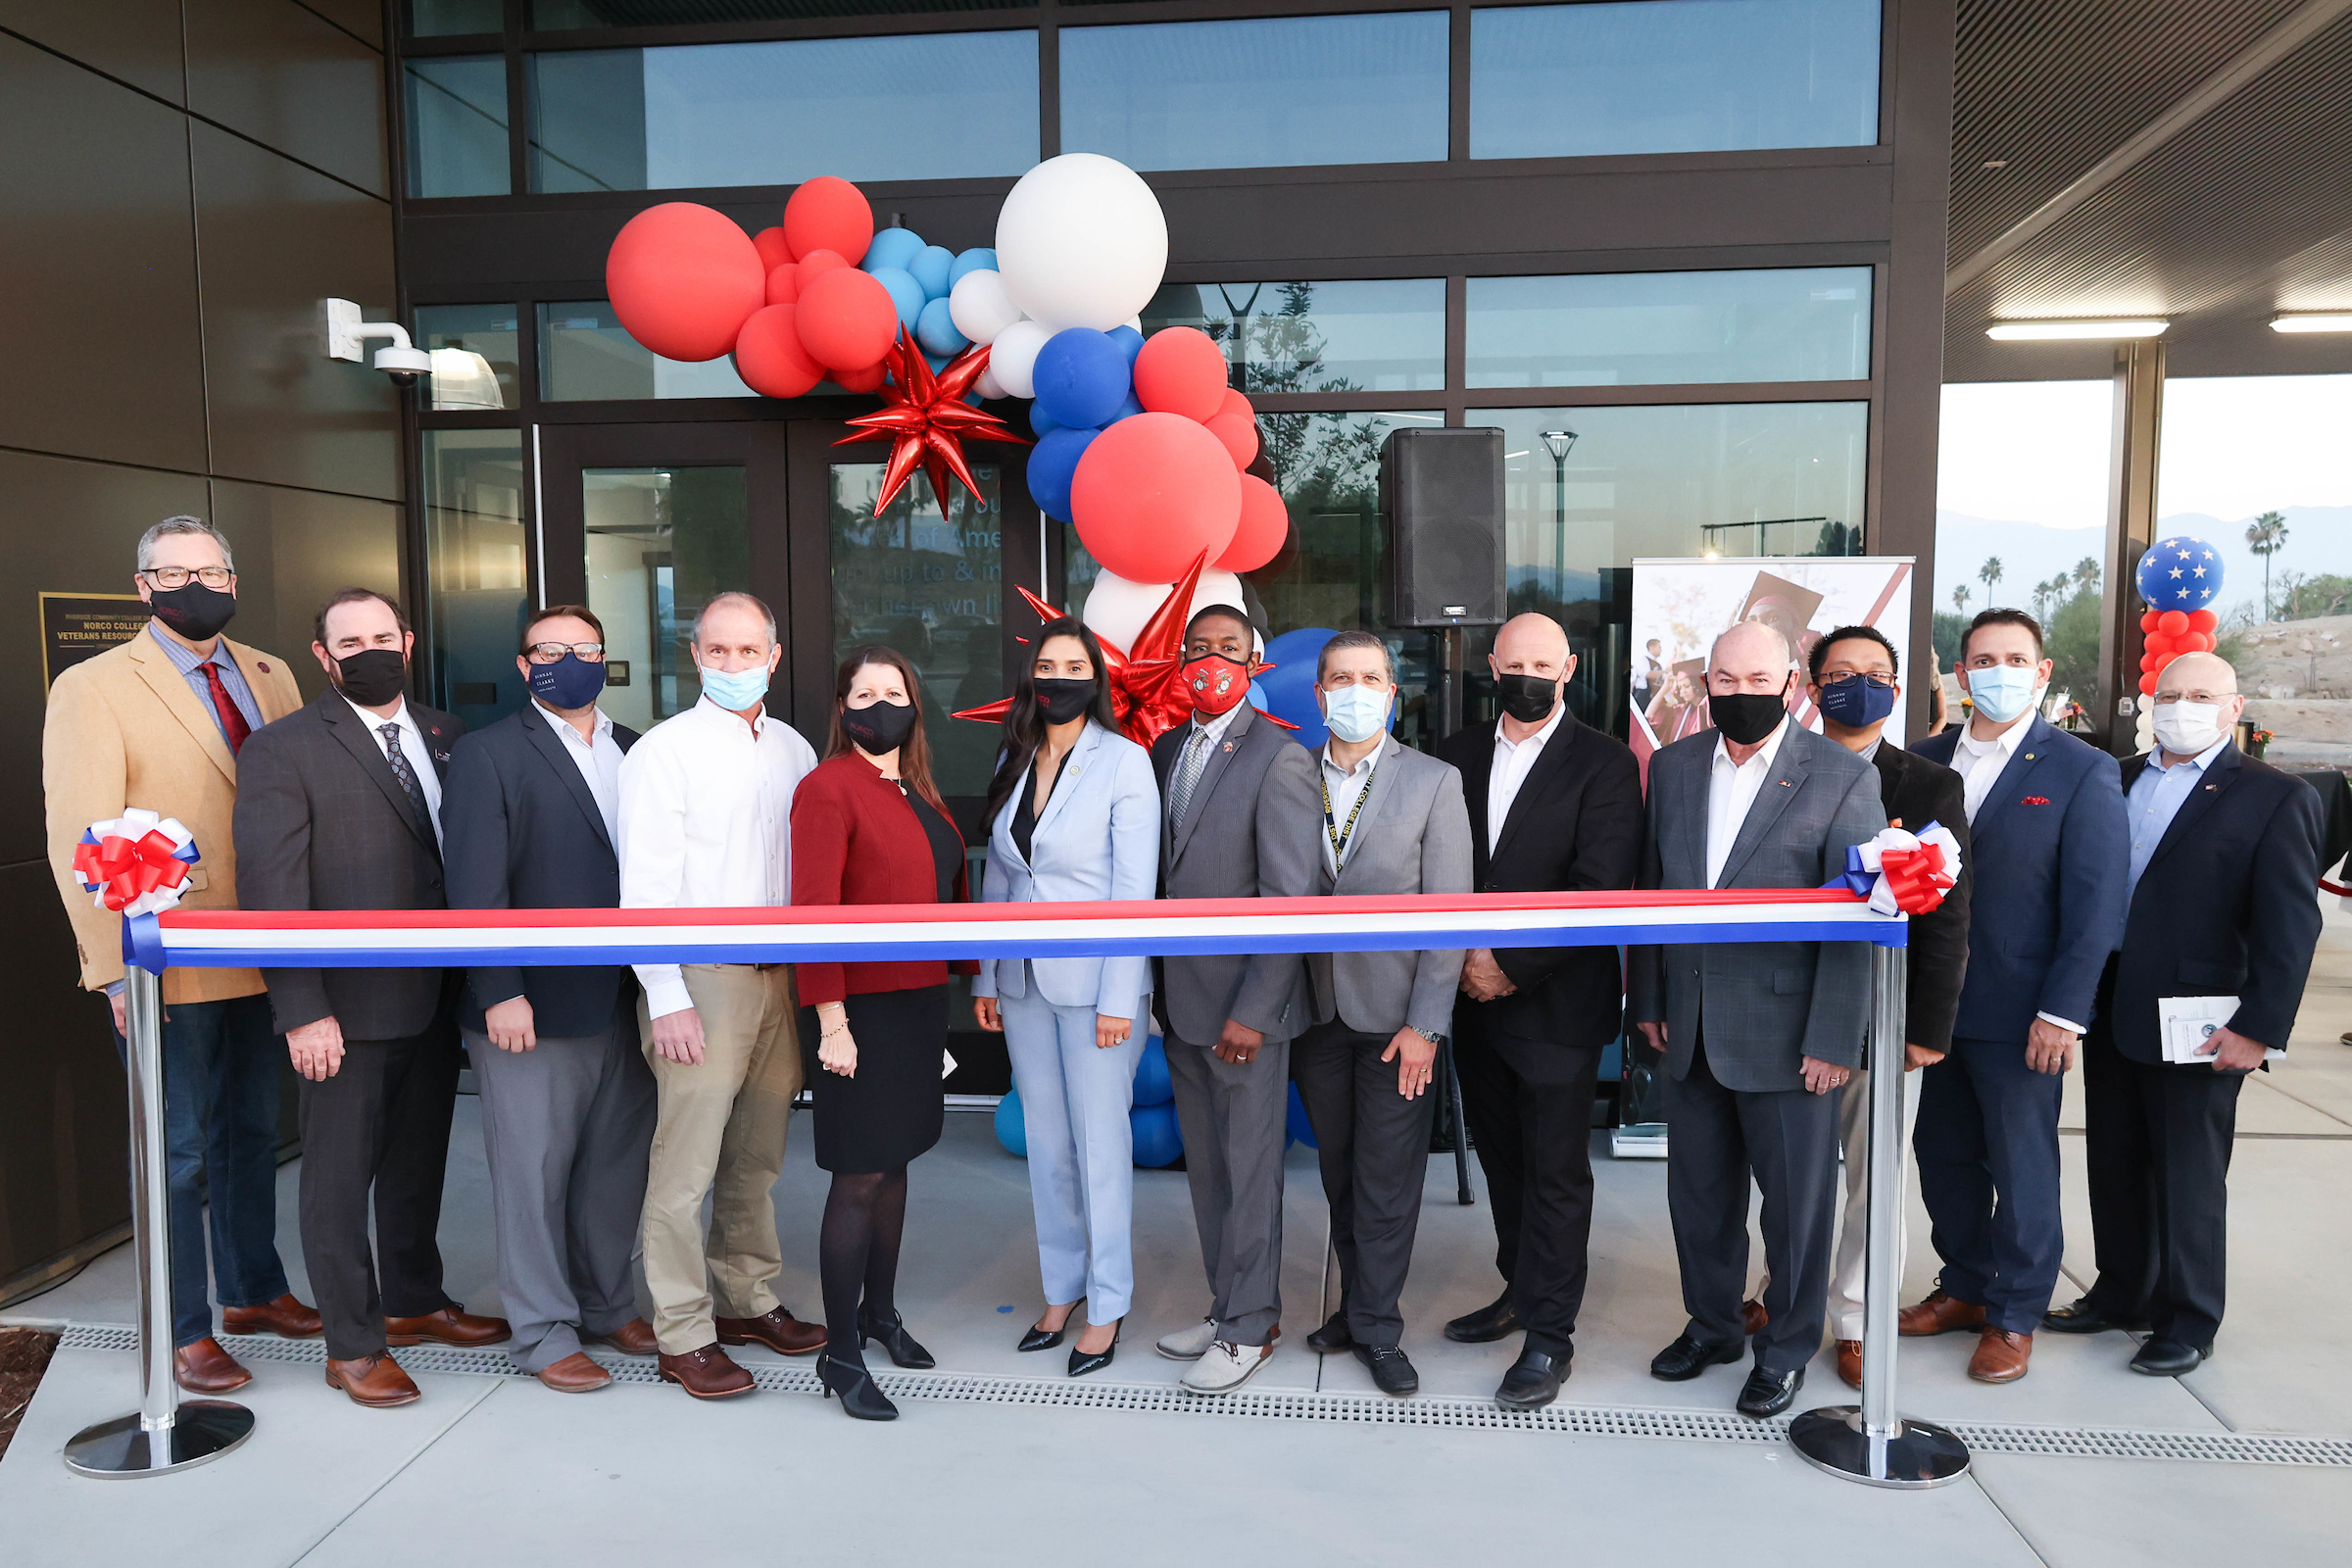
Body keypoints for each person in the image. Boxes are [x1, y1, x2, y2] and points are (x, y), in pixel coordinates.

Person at [41, 515, 319, 1396]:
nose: (195, 584)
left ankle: (253, 1289)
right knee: (180, 1148)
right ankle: (182, 1328)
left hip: (264, 944)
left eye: (212, 570)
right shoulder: (94, 685)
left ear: (234, 582)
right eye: (174, 572)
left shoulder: (272, 674)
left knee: (251, 1132)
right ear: (143, 587)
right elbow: (76, 835)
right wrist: (109, 967)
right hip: (165, 956)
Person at [234, 588, 509, 1409]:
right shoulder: (281, 750)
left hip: (433, 999)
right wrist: (301, 1008)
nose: (369, 650)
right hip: (343, 1010)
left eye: (382, 636)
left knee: (417, 1162)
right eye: (349, 641)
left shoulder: (446, 734)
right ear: (323, 656)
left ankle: (415, 1299)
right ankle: (353, 1344)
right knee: (337, 1179)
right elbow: (271, 893)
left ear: (409, 641)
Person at [1628, 619, 1884, 1419]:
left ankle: (1786, 1350)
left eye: (1758, 680)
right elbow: (1651, 893)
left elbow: (1855, 920)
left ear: (1792, 686)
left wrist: (1837, 1038)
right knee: (1698, 1199)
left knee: (1796, 1213)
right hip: (1690, 1023)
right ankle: (1711, 1325)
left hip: (1791, 1035)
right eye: (1726, 681)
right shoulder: (1671, 768)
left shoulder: (1840, 777)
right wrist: (1651, 1000)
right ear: (1708, 685)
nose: (1741, 694)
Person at [2045, 652, 2324, 1375]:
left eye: (2202, 695)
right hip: (2108, 1007)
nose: (2183, 706)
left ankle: (2188, 1318)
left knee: (2188, 1175)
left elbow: (2290, 926)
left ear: (2235, 710)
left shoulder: (2274, 796)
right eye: (2170, 694)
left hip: (2201, 1021)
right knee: (2113, 1161)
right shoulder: (2117, 776)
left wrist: (2260, 1028)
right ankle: (2122, 1293)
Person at [1740, 625, 1973, 1390]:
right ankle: (1785, 1296)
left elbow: (1947, 914)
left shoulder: (1929, 786)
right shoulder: (1777, 768)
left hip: (1883, 1012)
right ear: (1810, 688)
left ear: (1897, 689)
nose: (1857, 685)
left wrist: (1927, 1027)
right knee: (1793, 1173)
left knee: (1873, 1175)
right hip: (1786, 1008)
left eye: (1874, 673)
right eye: (1840, 673)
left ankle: (1857, 1320)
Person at [1903, 609, 2127, 1384]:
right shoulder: (1921, 761)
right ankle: (1964, 1284)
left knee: (2021, 1164)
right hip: (1930, 1007)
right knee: (1944, 1156)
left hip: (2025, 1013)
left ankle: (2016, 1311)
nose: (1997, 670)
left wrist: (2064, 1011)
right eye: (1981, 659)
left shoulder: (2080, 769)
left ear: (2041, 672)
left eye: (2014, 658)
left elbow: (2097, 903)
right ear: (1961, 676)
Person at [440, 605, 656, 1394]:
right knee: (531, 1173)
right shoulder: (488, 753)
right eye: (551, 650)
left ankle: (605, 1303)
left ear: (607, 657)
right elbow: (474, 886)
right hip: (529, 1005)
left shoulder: (638, 750)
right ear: (526, 666)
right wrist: (500, 990)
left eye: (587, 648)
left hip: (627, 996)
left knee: (613, 1167)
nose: (571, 661)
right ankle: (541, 1329)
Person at [1433, 612, 1642, 1410]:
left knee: (1556, 1173)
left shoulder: (1606, 764)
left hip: (1553, 1004)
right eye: (1513, 662)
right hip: (1469, 1002)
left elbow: (1600, 886)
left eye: (1542, 664)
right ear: (1492, 665)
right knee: (1504, 1162)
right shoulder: (1451, 755)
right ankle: (1518, 1289)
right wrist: (1466, 967)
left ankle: (1551, 1337)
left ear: (1569, 669)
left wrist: (1508, 967)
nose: (1526, 675)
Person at [618, 591, 823, 1401]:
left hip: (780, 980)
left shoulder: (795, 750)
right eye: (719, 651)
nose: (734, 664)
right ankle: (683, 1331)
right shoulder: (663, 754)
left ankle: (745, 1298)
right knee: (686, 1165)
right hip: (700, 978)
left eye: (750, 651)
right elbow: (645, 887)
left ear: (775, 656)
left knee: (757, 1156)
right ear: (694, 655)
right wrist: (664, 993)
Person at [971, 619, 1158, 1378]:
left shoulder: (1125, 763)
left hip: (1096, 992)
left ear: (1096, 679)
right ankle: (1061, 1289)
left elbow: (1133, 891)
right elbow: (1001, 875)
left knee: (1101, 1148)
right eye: (1046, 665)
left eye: (1073, 666)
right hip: (1021, 984)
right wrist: (988, 972)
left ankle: (1108, 1303)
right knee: (1047, 1146)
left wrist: (1121, 993)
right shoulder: (1013, 756)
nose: (1057, 678)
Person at [793, 647, 975, 1421]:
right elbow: (814, 914)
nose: (878, 704)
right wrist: (831, 1021)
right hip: (856, 1015)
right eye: (862, 693)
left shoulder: (916, 789)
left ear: (913, 704)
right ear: (842, 709)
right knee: (859, 1176)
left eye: (892, 691)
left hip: (915, 1005)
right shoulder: (827, 788)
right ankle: (839, 1354)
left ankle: (880, 1314)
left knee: (896, 1164)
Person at [1292, 630, 1474, 1398]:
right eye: (1341, 678)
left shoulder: (1434, 781)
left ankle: (1378, 1327)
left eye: (1371, 678)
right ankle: (1356, 1308)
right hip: (1315, 1014)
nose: (1355, 689)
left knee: (1387, 1180)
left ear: (1392, 694)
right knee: (1339, 1174)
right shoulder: (1291, 777)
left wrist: (1427, 1025)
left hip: (1398, 1020)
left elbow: (1449, 912)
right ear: (1319, 693)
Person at [1148, 606, 1322, 1396]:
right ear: (1180, 661)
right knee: (1210, 1169)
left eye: (1228, 649)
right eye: (1197, 649)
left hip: (1244, 1011)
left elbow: (1291, 898)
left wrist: (1255, 1010)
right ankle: (1226, 1308)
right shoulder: (1166, 750)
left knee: (1252, 1170)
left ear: (1254, 662)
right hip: (1180, 1003)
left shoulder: (1281, 759)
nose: (1210, 660)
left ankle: (1254, 1324)